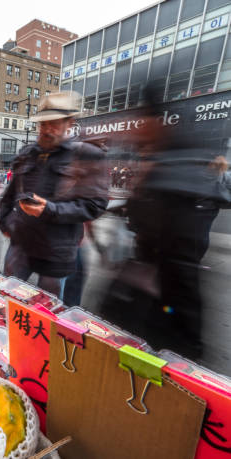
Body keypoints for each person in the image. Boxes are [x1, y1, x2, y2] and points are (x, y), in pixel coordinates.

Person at [99, 90, 231, 359]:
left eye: (142, 121)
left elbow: (170, 237)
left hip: (167, 288)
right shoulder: (167, 163)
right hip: (157, 282)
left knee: (166, 346)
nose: (137, 131)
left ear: (155, 122)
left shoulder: (177, 167)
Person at [0, 92, 108, 297]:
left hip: (56, 250)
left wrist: (50, 209)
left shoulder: (87, 154)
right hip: (20, 243)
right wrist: (3, 221)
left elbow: (95, 204)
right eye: (43, 124)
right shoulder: (27, 153)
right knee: (6, 298)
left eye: (53, 123)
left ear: (69, 123)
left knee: (48, 310)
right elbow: (9, 194)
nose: (47, 129)